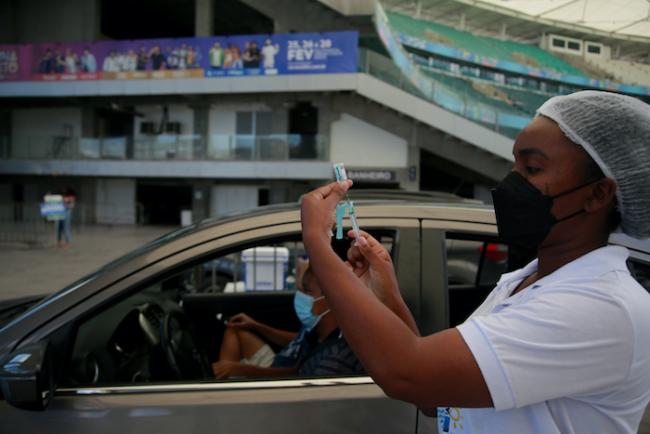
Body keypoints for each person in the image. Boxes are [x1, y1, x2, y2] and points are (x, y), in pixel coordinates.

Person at [300, 91, 650, 434]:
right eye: (513, 165)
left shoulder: (599, 306)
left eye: (532, 168)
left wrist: (318, 243)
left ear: (598, 194)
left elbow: (409, 375)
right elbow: (436, 396)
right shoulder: (522, 283)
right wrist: (386, 295)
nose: (511, 182)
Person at [212, 266, 373, 379]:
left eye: (307, 291)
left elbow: (296, 373)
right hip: (278, 365)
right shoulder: (316, 329)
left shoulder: (330, 358)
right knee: (234, 330)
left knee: (226, 369)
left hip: (278, 377)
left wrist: (242, 370)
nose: (300, 296)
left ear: (331, 299)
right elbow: (296, 340)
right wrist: (255, 326)